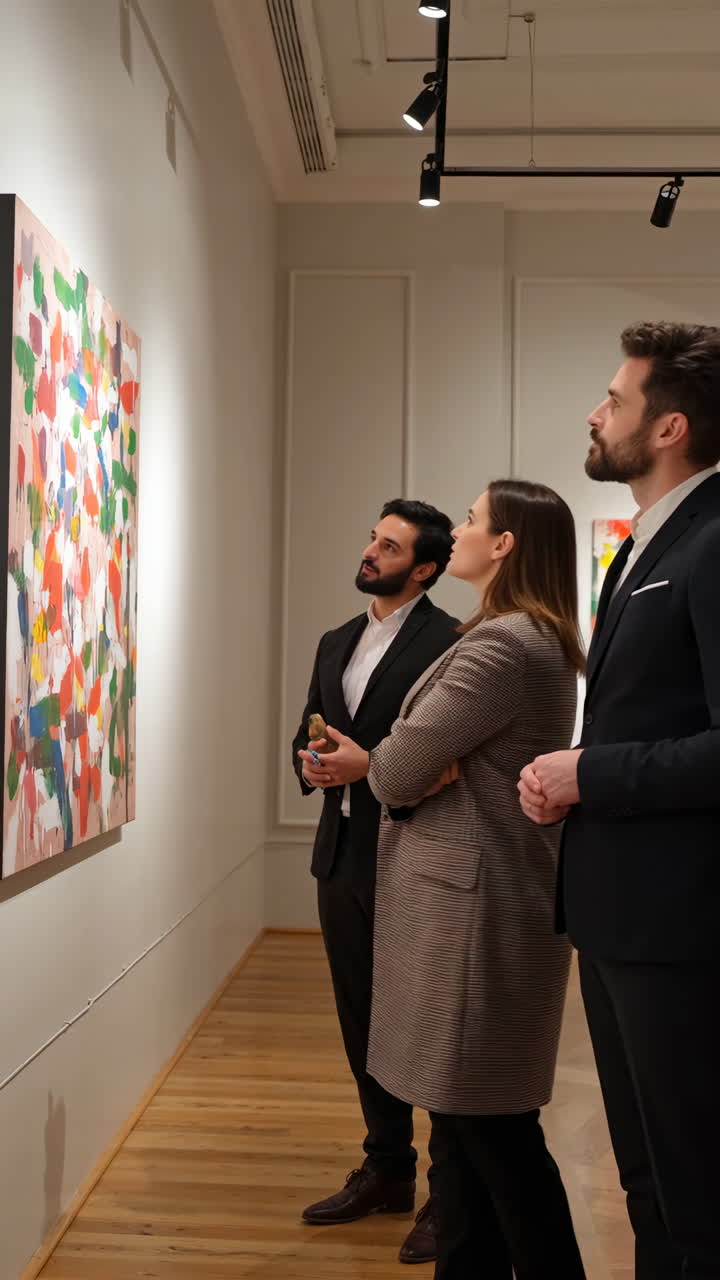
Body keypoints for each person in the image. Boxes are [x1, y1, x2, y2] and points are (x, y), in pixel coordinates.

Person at [301, 479, 587, 1280]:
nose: (458, 530)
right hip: (469, 902)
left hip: (474, 912)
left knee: (493, 1138)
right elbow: (408, 762)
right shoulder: (507, 635)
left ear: (504, 545)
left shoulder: (504, 645)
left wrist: (404, 761)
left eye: (471, 519)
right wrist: (413, 760)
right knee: (464, 1141)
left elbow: (395, 770)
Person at [518, 322, 720, 1280]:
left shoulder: (713, 543)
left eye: (614, 399)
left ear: (669, 427)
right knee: (646, 1178)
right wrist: (578, 777)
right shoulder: (650, 544)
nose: (595, 414)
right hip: (621, 915)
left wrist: (588, 774)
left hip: (680, 928)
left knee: (695, 1191)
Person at [292, 499, 458, 1264]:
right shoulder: (336, 640)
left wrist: (371, 767)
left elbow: (449, 756)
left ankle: (450, 1195)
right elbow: (311, 726)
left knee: (429, 1025)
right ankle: (387, 1167)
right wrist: (310, 762)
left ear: (423, 569)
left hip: (415, 853)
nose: (370, 551)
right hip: (341, 856)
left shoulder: (451, 642)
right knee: (360, 1018)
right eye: (372, 538)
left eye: (389, 546)